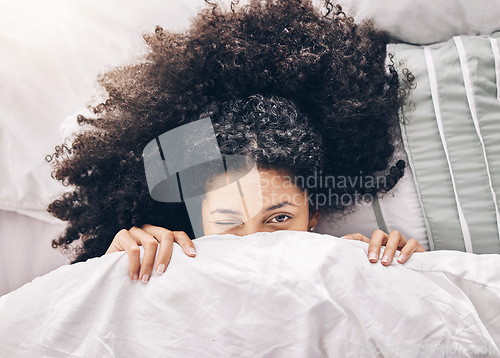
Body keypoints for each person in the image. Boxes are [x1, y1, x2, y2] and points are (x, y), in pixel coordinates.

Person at [46, 0, 422, 283]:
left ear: (313, 218)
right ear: (198, 226)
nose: (256, 243)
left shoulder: (355, 262)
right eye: (228, 222)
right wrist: (109, 271)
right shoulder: (167, 266)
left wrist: (414, 271)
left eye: (279, 218)